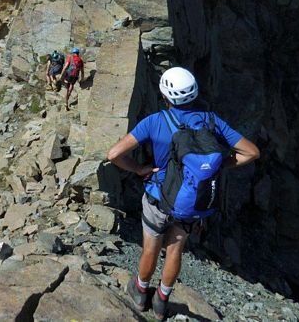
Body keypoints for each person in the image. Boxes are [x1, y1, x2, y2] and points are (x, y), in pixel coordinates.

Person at [107, 67, 260, 320]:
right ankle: (161, 302)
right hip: (190, 202)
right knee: (175, 250)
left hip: (158, 198)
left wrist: (138, 168)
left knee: (150, 249)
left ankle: (140, 292)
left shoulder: (155, 121)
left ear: (165, 96)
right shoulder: (212, 121)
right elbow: (252, 152)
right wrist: (219, 165)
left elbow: (114, 154)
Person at [59, 47, 84, 111]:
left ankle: (66, 102)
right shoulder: (80, 60)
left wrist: (61, 74)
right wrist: (82, 78)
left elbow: (65, 66)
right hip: (75, 76)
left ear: (73, 53)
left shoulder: (70, 58)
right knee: (72, 85)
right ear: (78, 53)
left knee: (66, 88)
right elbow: (82, 70)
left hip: (69, 75)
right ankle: (68, 95)